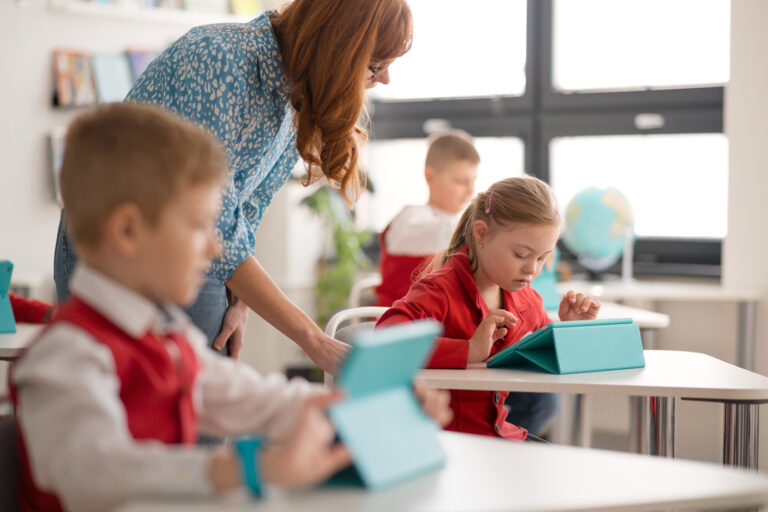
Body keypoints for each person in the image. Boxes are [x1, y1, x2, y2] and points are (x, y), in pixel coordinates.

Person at [11, 104, 451, 512]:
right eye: (199, 225)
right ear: (127, 231)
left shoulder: (168, 338)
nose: (215, 246)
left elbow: (257, 401)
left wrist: (365, 404)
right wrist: (243, 468)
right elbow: (95, 473)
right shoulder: (65, 355)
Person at [53, 0, 414, 373]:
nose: (384, 79)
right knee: (147, 407)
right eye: (376, 66)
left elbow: (249, 205)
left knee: (203, 406)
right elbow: (220, 223)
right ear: (336, 47)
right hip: (119, 249)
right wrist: (314, 340)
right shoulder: (220, 59)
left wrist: (239, 298)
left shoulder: (296, 92)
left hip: (190, 250)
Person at [376, 176, 601, 441]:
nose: (532, 269)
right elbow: (384, 343)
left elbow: (543, 356)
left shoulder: (526, 299)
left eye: (543, 258)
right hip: (450, 442)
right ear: (481, 233)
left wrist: (567, 330)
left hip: (498, 434)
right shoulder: (439, 290)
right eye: (520, 254)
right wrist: (468, 350)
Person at [375, 130, 480, 307]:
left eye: (473, 181)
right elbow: (443, 235)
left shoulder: (460, 225)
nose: (470, 191)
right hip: (398, 323)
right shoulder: (410, 218)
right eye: (461, 181)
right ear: (430, 176)